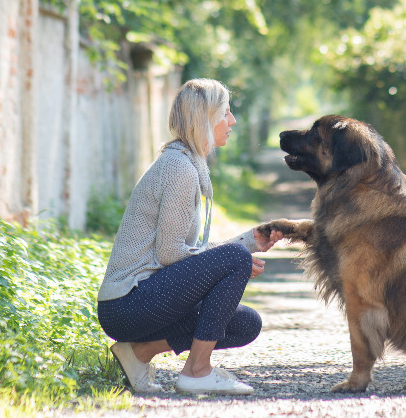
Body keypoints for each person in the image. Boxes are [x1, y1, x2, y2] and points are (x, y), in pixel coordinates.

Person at [97, 78, 284, 396]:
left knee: (245, 323)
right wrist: (235, 257)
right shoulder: (179, 168)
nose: (233, 121)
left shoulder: (187, 162)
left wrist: (247, 242)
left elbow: (182, 253)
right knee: (234, 259)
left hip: (145, 298)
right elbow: (171, 254)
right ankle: (197, 371)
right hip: (126, 304)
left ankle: (138, 354)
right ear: (206, 118)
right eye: (226, 112)